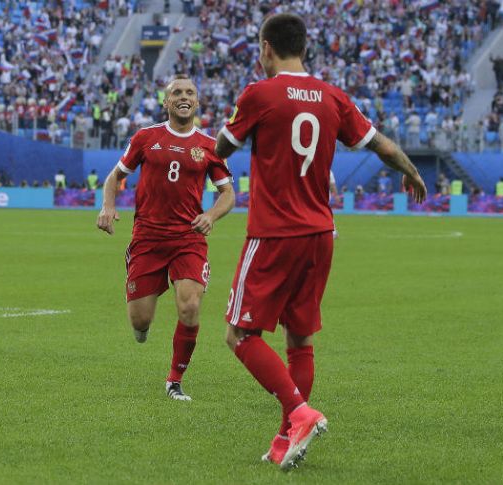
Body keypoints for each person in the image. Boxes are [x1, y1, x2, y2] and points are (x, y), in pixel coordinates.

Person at [214, 13, 426, 470]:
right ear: (304, 48)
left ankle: (300, 413)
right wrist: (411, 171)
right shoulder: (333, 97)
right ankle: (285, 439)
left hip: (274, 233)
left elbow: (222, 147)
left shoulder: (258, 93)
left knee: (239, 334)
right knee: (300, 338)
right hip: (320, 234)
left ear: (267, 48)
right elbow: (382, 147)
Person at [97, 74, 235, 402]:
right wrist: (107, 206)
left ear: (198, 102)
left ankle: (174, 380)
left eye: (190, 92)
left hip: (188, 238)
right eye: (177, 92)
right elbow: (116, 177)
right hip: (147, 238)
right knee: (140, 321)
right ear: (166, 101)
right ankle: (142, 322)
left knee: (189, 305)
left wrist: (210, 215)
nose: (183, 97)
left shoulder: (209, 146)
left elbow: (228, 194)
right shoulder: (146, 137)